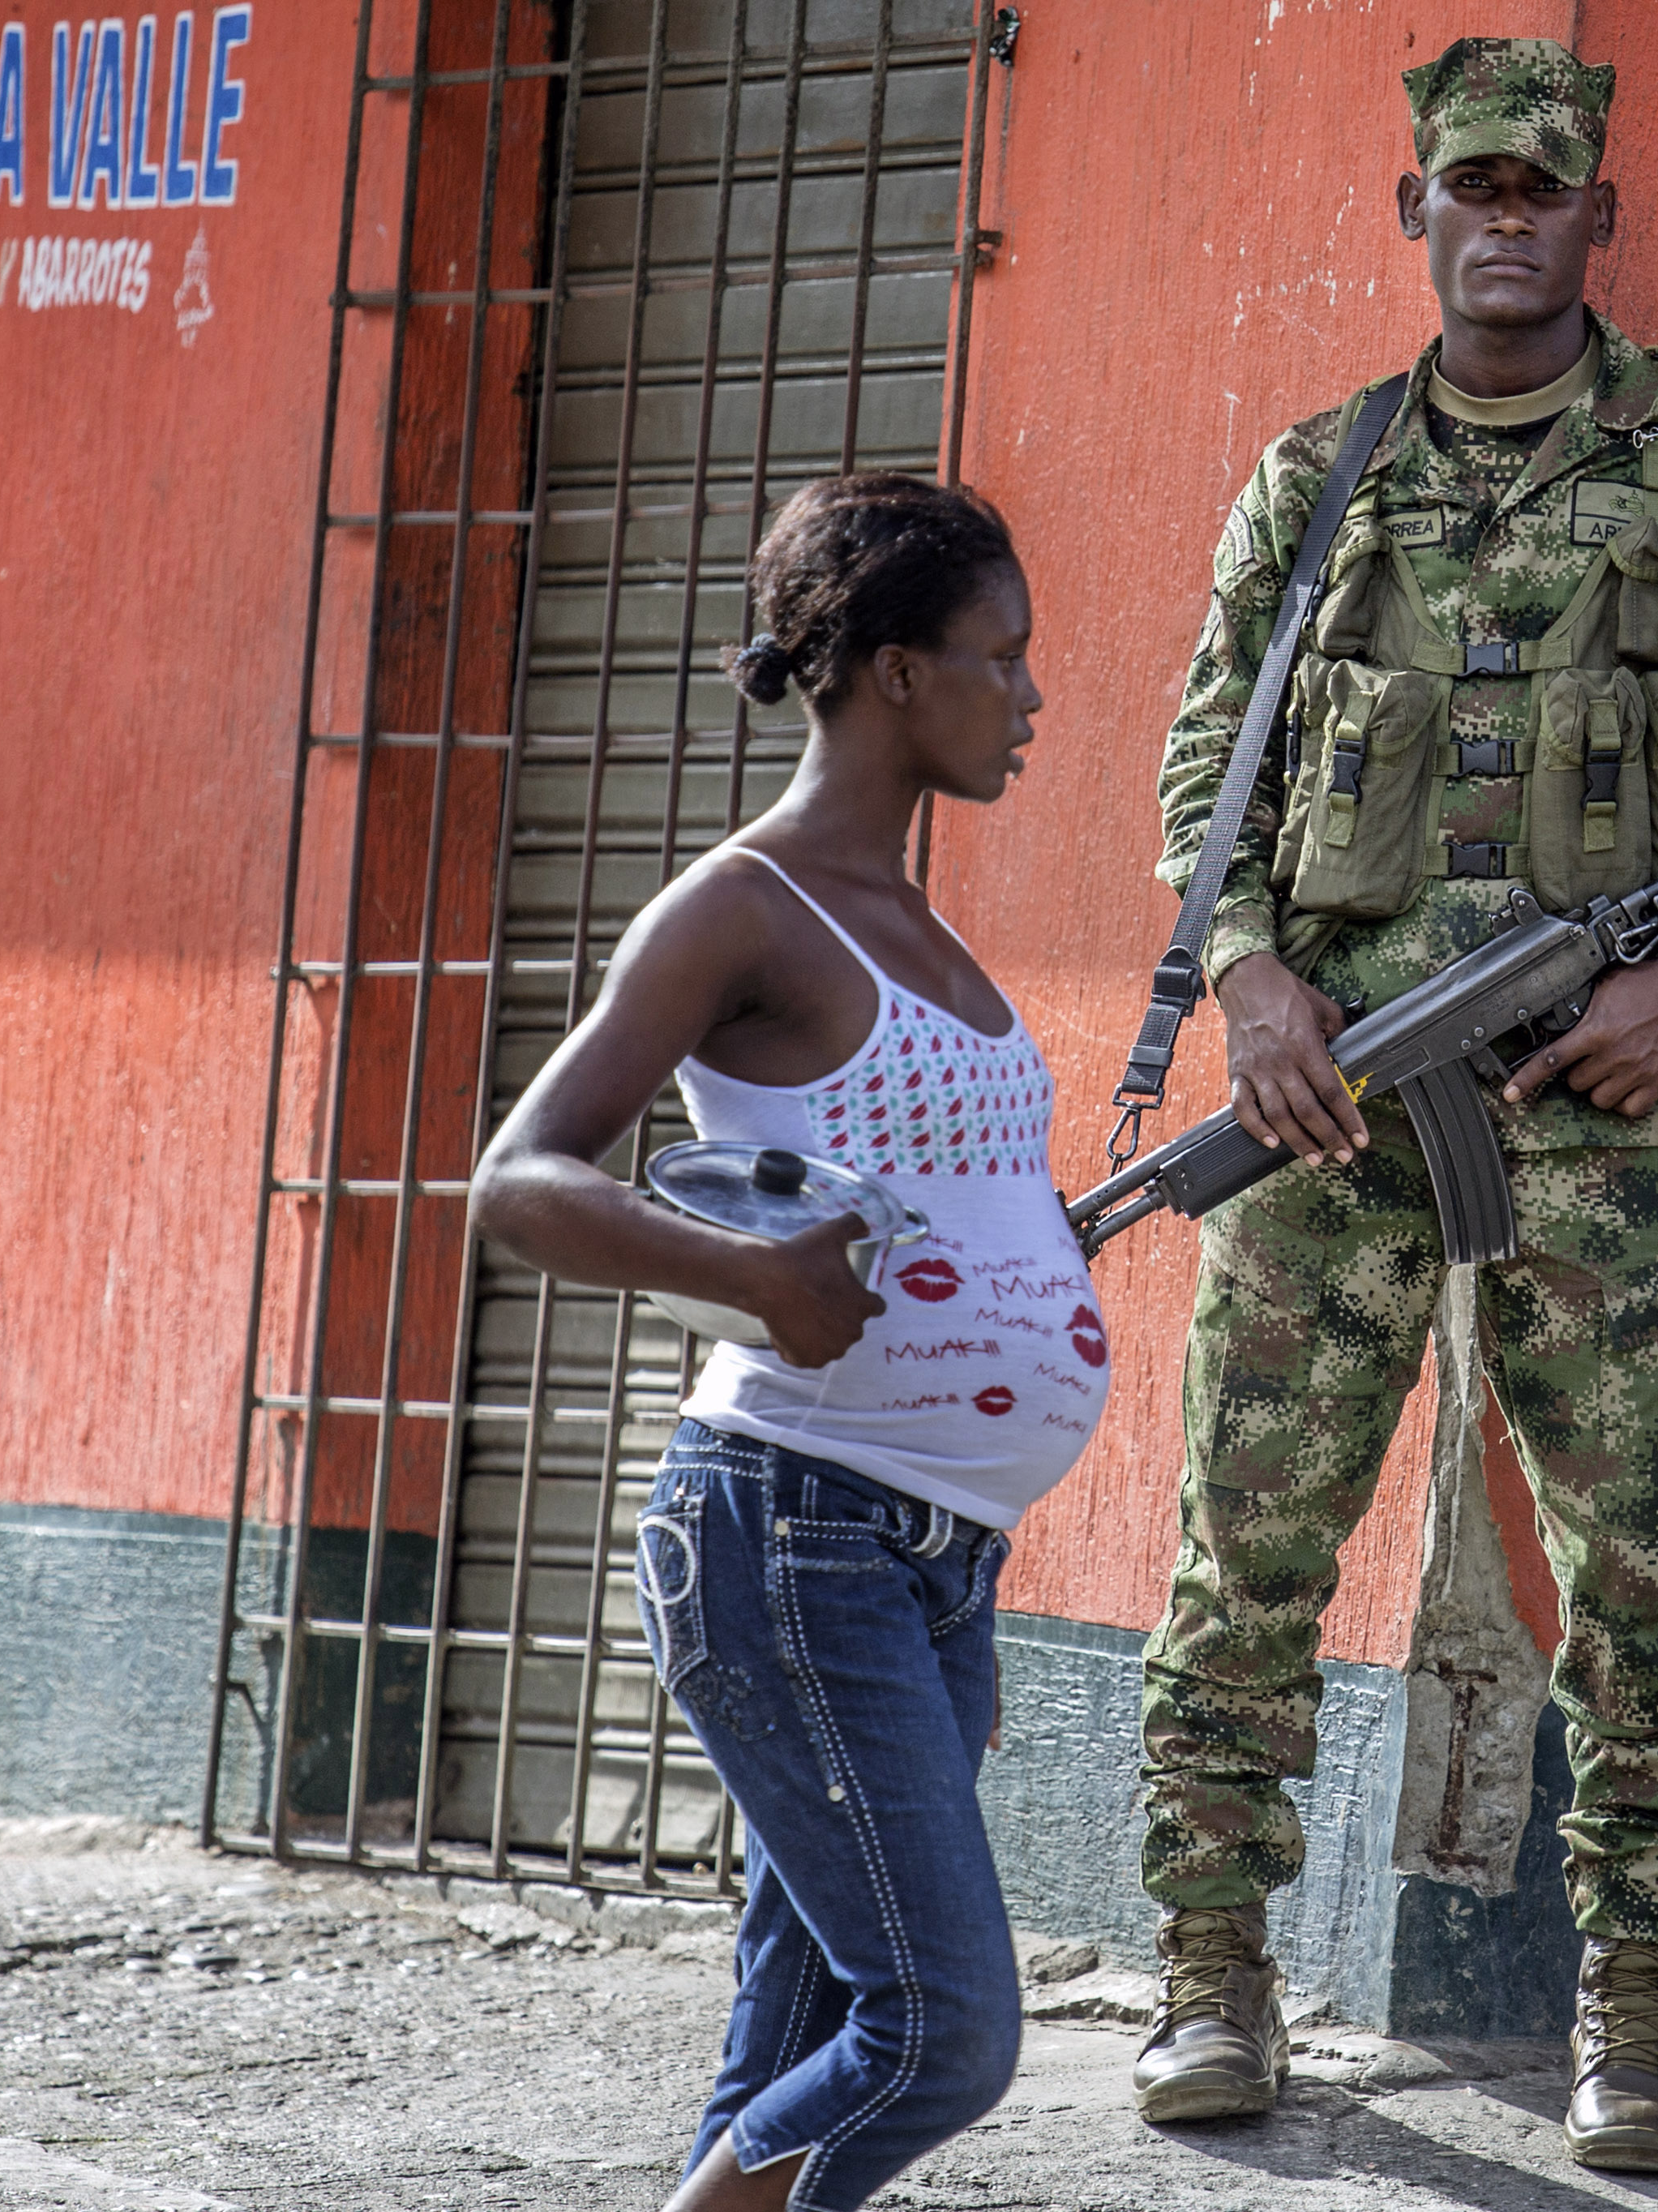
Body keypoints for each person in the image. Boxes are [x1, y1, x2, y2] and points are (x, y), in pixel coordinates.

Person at [1129, 35, 1658, 2180]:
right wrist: (1252, 978)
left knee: (1645, 1573)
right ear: (1414, 213)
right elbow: (1211, 776)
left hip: (1603, 1122)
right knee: (1244, 1554)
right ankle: (1211, 1968)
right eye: (1465, 189)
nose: (1500, 221)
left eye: (1538, 191)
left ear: (1594, 217)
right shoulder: (1318, 482)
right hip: (1320, 1121)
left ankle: (1633, 2015)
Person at [471, 475, 1100, 2212]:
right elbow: (519, 1183)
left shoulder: (927, 927)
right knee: (946, 2028)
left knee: (796, 2028)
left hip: (934, 1555)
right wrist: (754, 1283)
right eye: (1003, 656)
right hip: (792, 1527)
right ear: (898, 672)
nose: (1030, 696)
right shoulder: (741, 908)